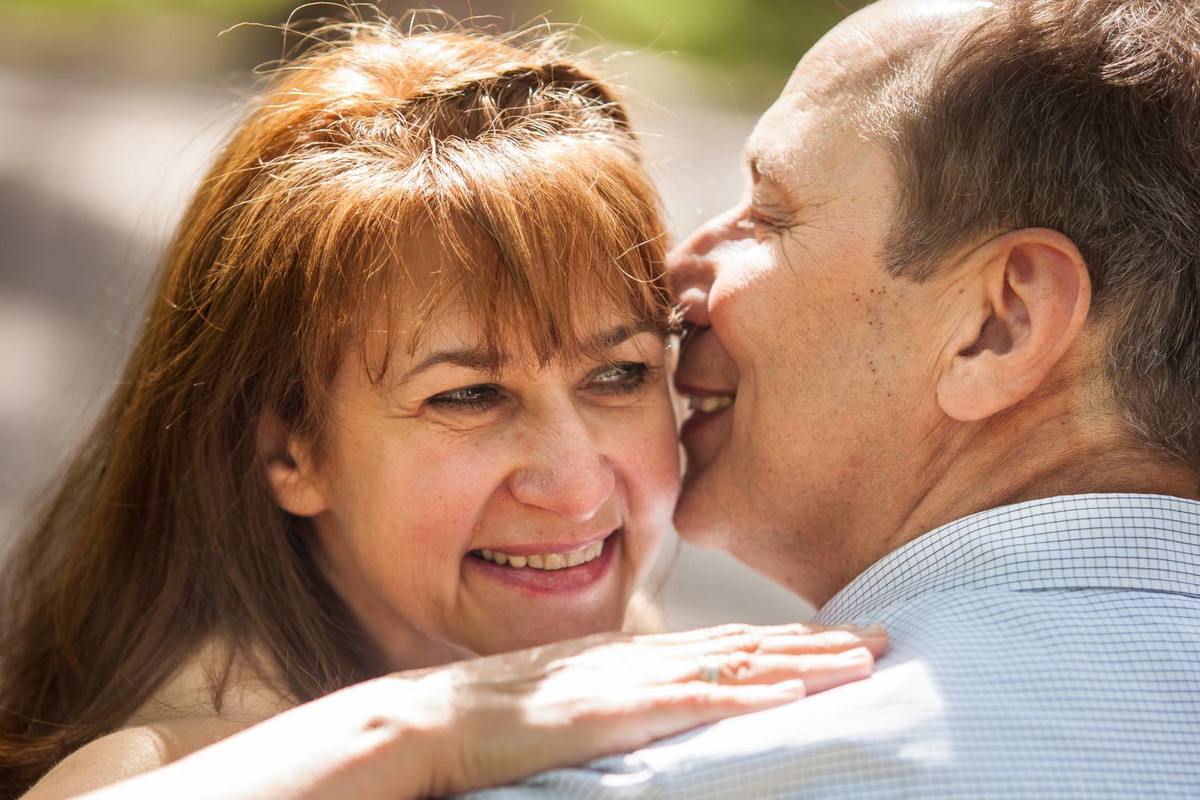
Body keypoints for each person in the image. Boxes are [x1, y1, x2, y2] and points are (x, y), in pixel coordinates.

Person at [0, 18, 889, 800]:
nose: (576, 490)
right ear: (289, 453)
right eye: (468, 395)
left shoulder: (580, 641)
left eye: (617, 374)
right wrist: (422, 733)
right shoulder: (187, 746)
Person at [461, 0, 1200, 797]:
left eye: (769, 213)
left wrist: (374, 741)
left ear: (1000, 323)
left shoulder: (688, 775)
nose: (673, 279)